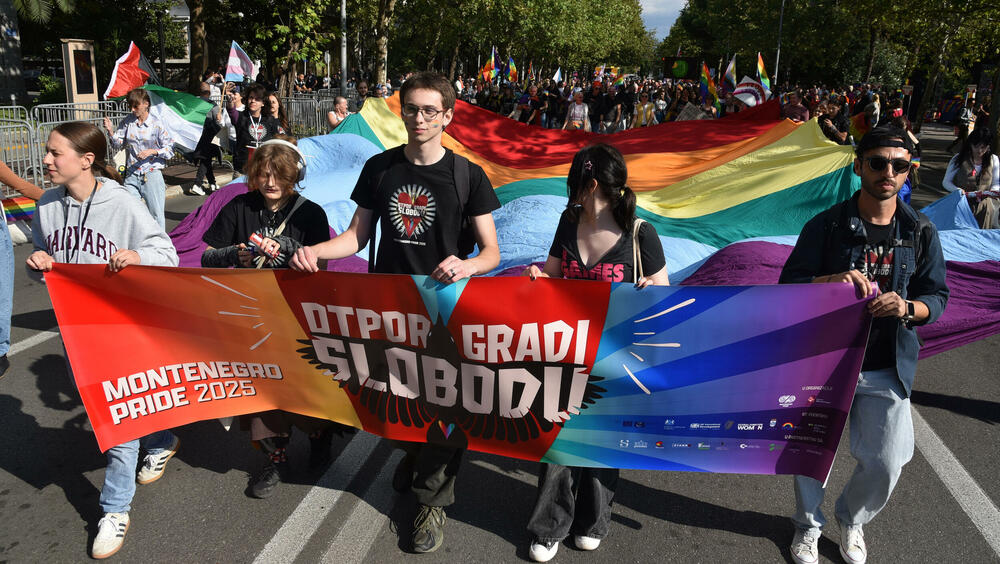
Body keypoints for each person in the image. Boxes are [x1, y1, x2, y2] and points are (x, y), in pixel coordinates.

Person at [289, 71, 501, 554]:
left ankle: (433, 502)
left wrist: (466, 264)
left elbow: (490, 252)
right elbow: (356, 238)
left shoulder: (468, 175)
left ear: (448, 116)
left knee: (445, 408)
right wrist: (317, 252)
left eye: (431, 110)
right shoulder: (381, 169)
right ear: (400, 112)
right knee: (397, 399)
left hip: (445, 314)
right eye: (412, 109)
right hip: (388, 312)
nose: (420, 118)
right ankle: (414, 456)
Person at [780, 125, 949, 564]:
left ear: (908, 171)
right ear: (858, 167)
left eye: (898, 164)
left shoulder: (921, 231)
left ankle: (852, 519)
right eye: (877, 162)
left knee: (888, 461)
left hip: (885, 366)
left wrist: (908, 308)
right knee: (812, 452)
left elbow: (937, 297)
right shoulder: (826, 225)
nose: (887, 171)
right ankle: (807, 525)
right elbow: (789, 286)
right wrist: (830, 281)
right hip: (826, 364)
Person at [25, 122, 180, 559]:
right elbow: (41, 264)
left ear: (86, 160)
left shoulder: (122, 202)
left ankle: (114, 509)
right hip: (76, 331)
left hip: (121, 326)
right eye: (48, 152)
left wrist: (138, 255)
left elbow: (164, 253)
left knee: (116, 420)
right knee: (110, 407)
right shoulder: (48, 205)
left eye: (56, 153)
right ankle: (162, 439)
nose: (47, 160)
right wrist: (37, 264)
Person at [522, 144, 669, 562]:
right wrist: (537, 275)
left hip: (617, 359)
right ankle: (549, 526)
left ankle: (592, 522)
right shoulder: (568, 222)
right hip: (566, 352)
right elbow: (552, 272)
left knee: (602, 443)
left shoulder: (641, 234)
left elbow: (665, 288)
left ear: (587, 184)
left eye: (573, 181)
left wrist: (650, 290)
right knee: (560, 442)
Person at [201, 136, 347, 497]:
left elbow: (322, 265)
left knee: (305, 388)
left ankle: (319, 437)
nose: (270, 182)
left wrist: (292, 252)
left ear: (293, 175)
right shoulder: (238, 207)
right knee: (262, 392)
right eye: (263, 174)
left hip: (297, 316)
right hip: (251, 315)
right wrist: (232, 256)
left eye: (278, 175)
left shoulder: (311, 212)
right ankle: (275, 459)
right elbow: (206, 255)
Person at [103, 88, 175, 228]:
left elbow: (170, 149)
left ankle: (161, 246)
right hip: (131, 174)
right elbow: (118, 144)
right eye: (130, 106)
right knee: (132, 212)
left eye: (136, 106)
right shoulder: (128, 122)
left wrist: (152, 151)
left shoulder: (157, 123)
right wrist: (111, 131)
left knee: (156, 215)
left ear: (146, 104)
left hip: (151, 174)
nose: (132, 109)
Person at [943, 127, 1000, 228]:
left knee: (981, 234)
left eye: (983, 147)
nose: (979, 150)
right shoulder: (958, 158)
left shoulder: (993, 159)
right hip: (961, 204)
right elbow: (946, 182)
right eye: (976, 146)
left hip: (984, 207)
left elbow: (996, 183)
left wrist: (992, 191)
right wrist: (958, 190)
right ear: (970, 144)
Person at [233, 85, 284, 173]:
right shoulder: (241, 117)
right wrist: (230, 102)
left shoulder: (270, 120)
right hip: (243, 169)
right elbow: (231, 112)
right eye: (251, 98)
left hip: (264, 168)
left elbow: (280, 140)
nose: (253, 101)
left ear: (263, 103)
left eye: (257, 99)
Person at [189, 81, 228, 196]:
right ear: (209, 92)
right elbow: (218, 121)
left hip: (196, 135)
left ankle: (212, 183)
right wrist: (220, 119)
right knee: (206, 159)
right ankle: (197, 184)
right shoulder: (212, 105)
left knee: (206, 159)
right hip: (209, 135)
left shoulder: (193, 103)